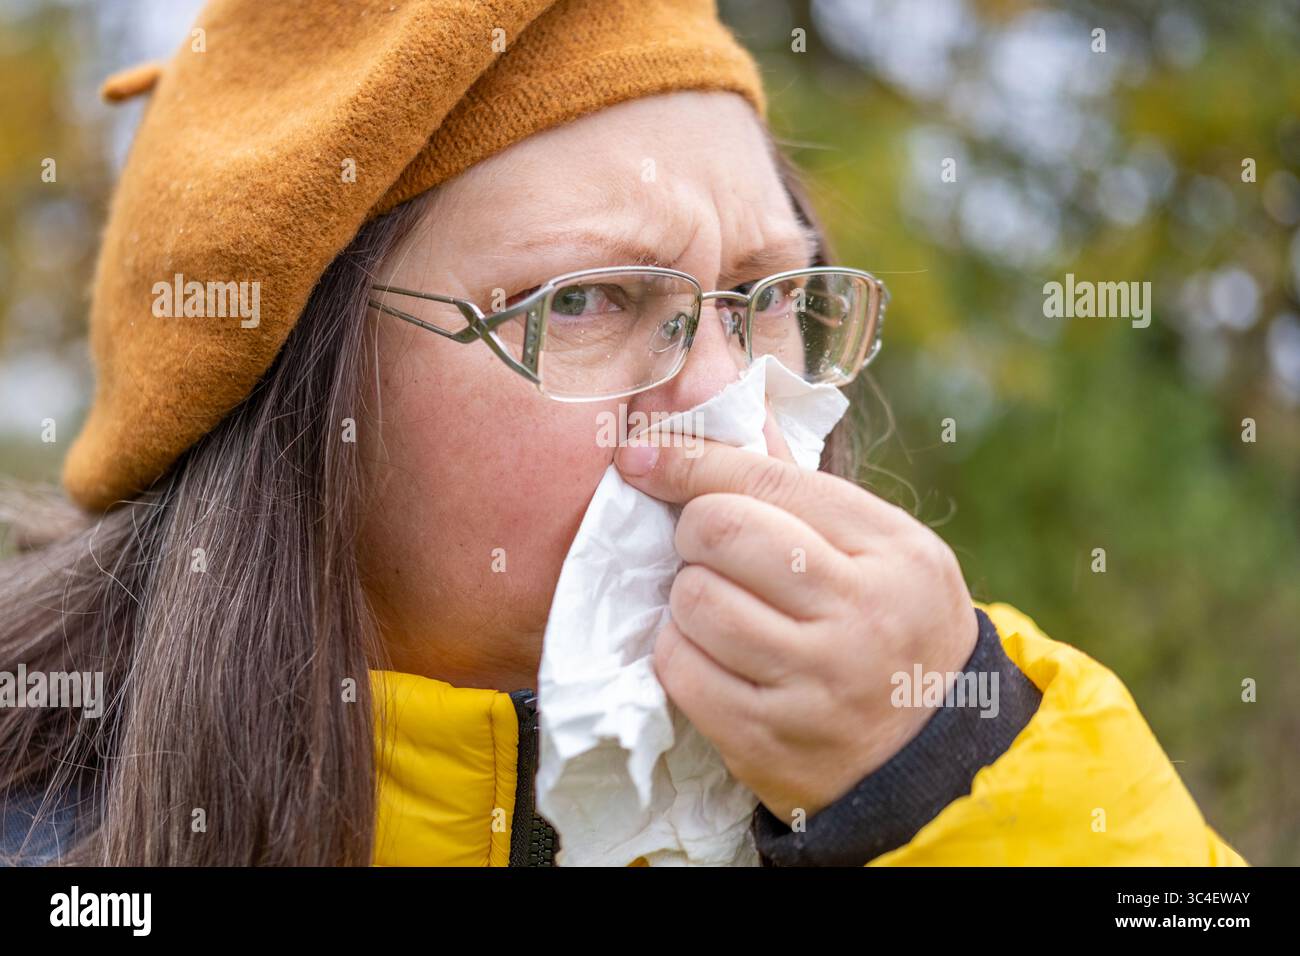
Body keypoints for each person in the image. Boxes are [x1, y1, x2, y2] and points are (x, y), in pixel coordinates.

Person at [0, 0, 1245, 866]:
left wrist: (947, 782)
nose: (730, 402)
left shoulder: (949, 728)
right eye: (587, 300)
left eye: (766, 297)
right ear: (285, 404)